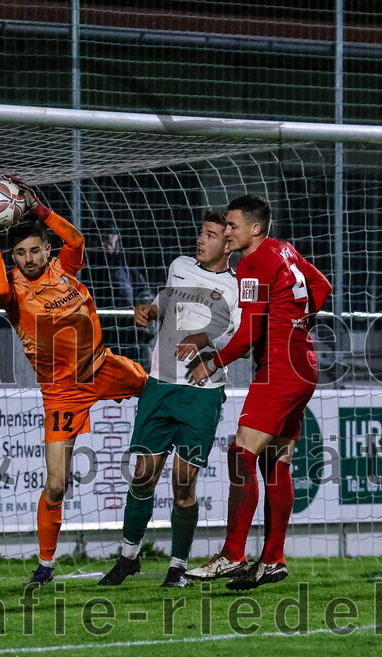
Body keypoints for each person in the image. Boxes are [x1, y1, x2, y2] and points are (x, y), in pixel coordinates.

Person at [0, 175, 148, 585]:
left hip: (102, 367)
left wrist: (38, 209)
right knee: (56, 483)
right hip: (61, 393)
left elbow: (76, 241)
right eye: (21, 254)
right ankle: (46, 564)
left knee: (158, 390)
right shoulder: (12, 291)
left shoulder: (62, 268)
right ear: (13, 257)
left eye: (34, 250)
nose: (29, 258)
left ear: (45, 250)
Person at [184, 194, 331, 591]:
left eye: (232, 226)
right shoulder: (284, 250)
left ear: (255, 229)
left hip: (281, 369)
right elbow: (321, 285)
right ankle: (273, 559)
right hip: (305, 363)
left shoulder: (252, 262)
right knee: (274, 463)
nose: (226, 232)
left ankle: (232, 554)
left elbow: (248, 334)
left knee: (239, 455)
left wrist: (211, 362)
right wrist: (296, 323)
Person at [98, 211, 239, 588]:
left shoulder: (235, 287)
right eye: (200, 232)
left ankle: (177, 567)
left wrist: (207, 348)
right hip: (159, 385)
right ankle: (128, 557)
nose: (200, 239)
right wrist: (151, 309)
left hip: (201, 394)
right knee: (143, 474)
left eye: (209, 235)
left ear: (228, 244)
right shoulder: (179, 266)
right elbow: (168, 300)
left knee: (182, 483)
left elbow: (238, 336)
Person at [84, 232, 155, 367]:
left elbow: (145, 292)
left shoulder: (127, 272)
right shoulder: (83, 272)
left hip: (129, 333)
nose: (104, 243)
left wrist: (145, 303)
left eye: (107, 237)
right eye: (97, 238)